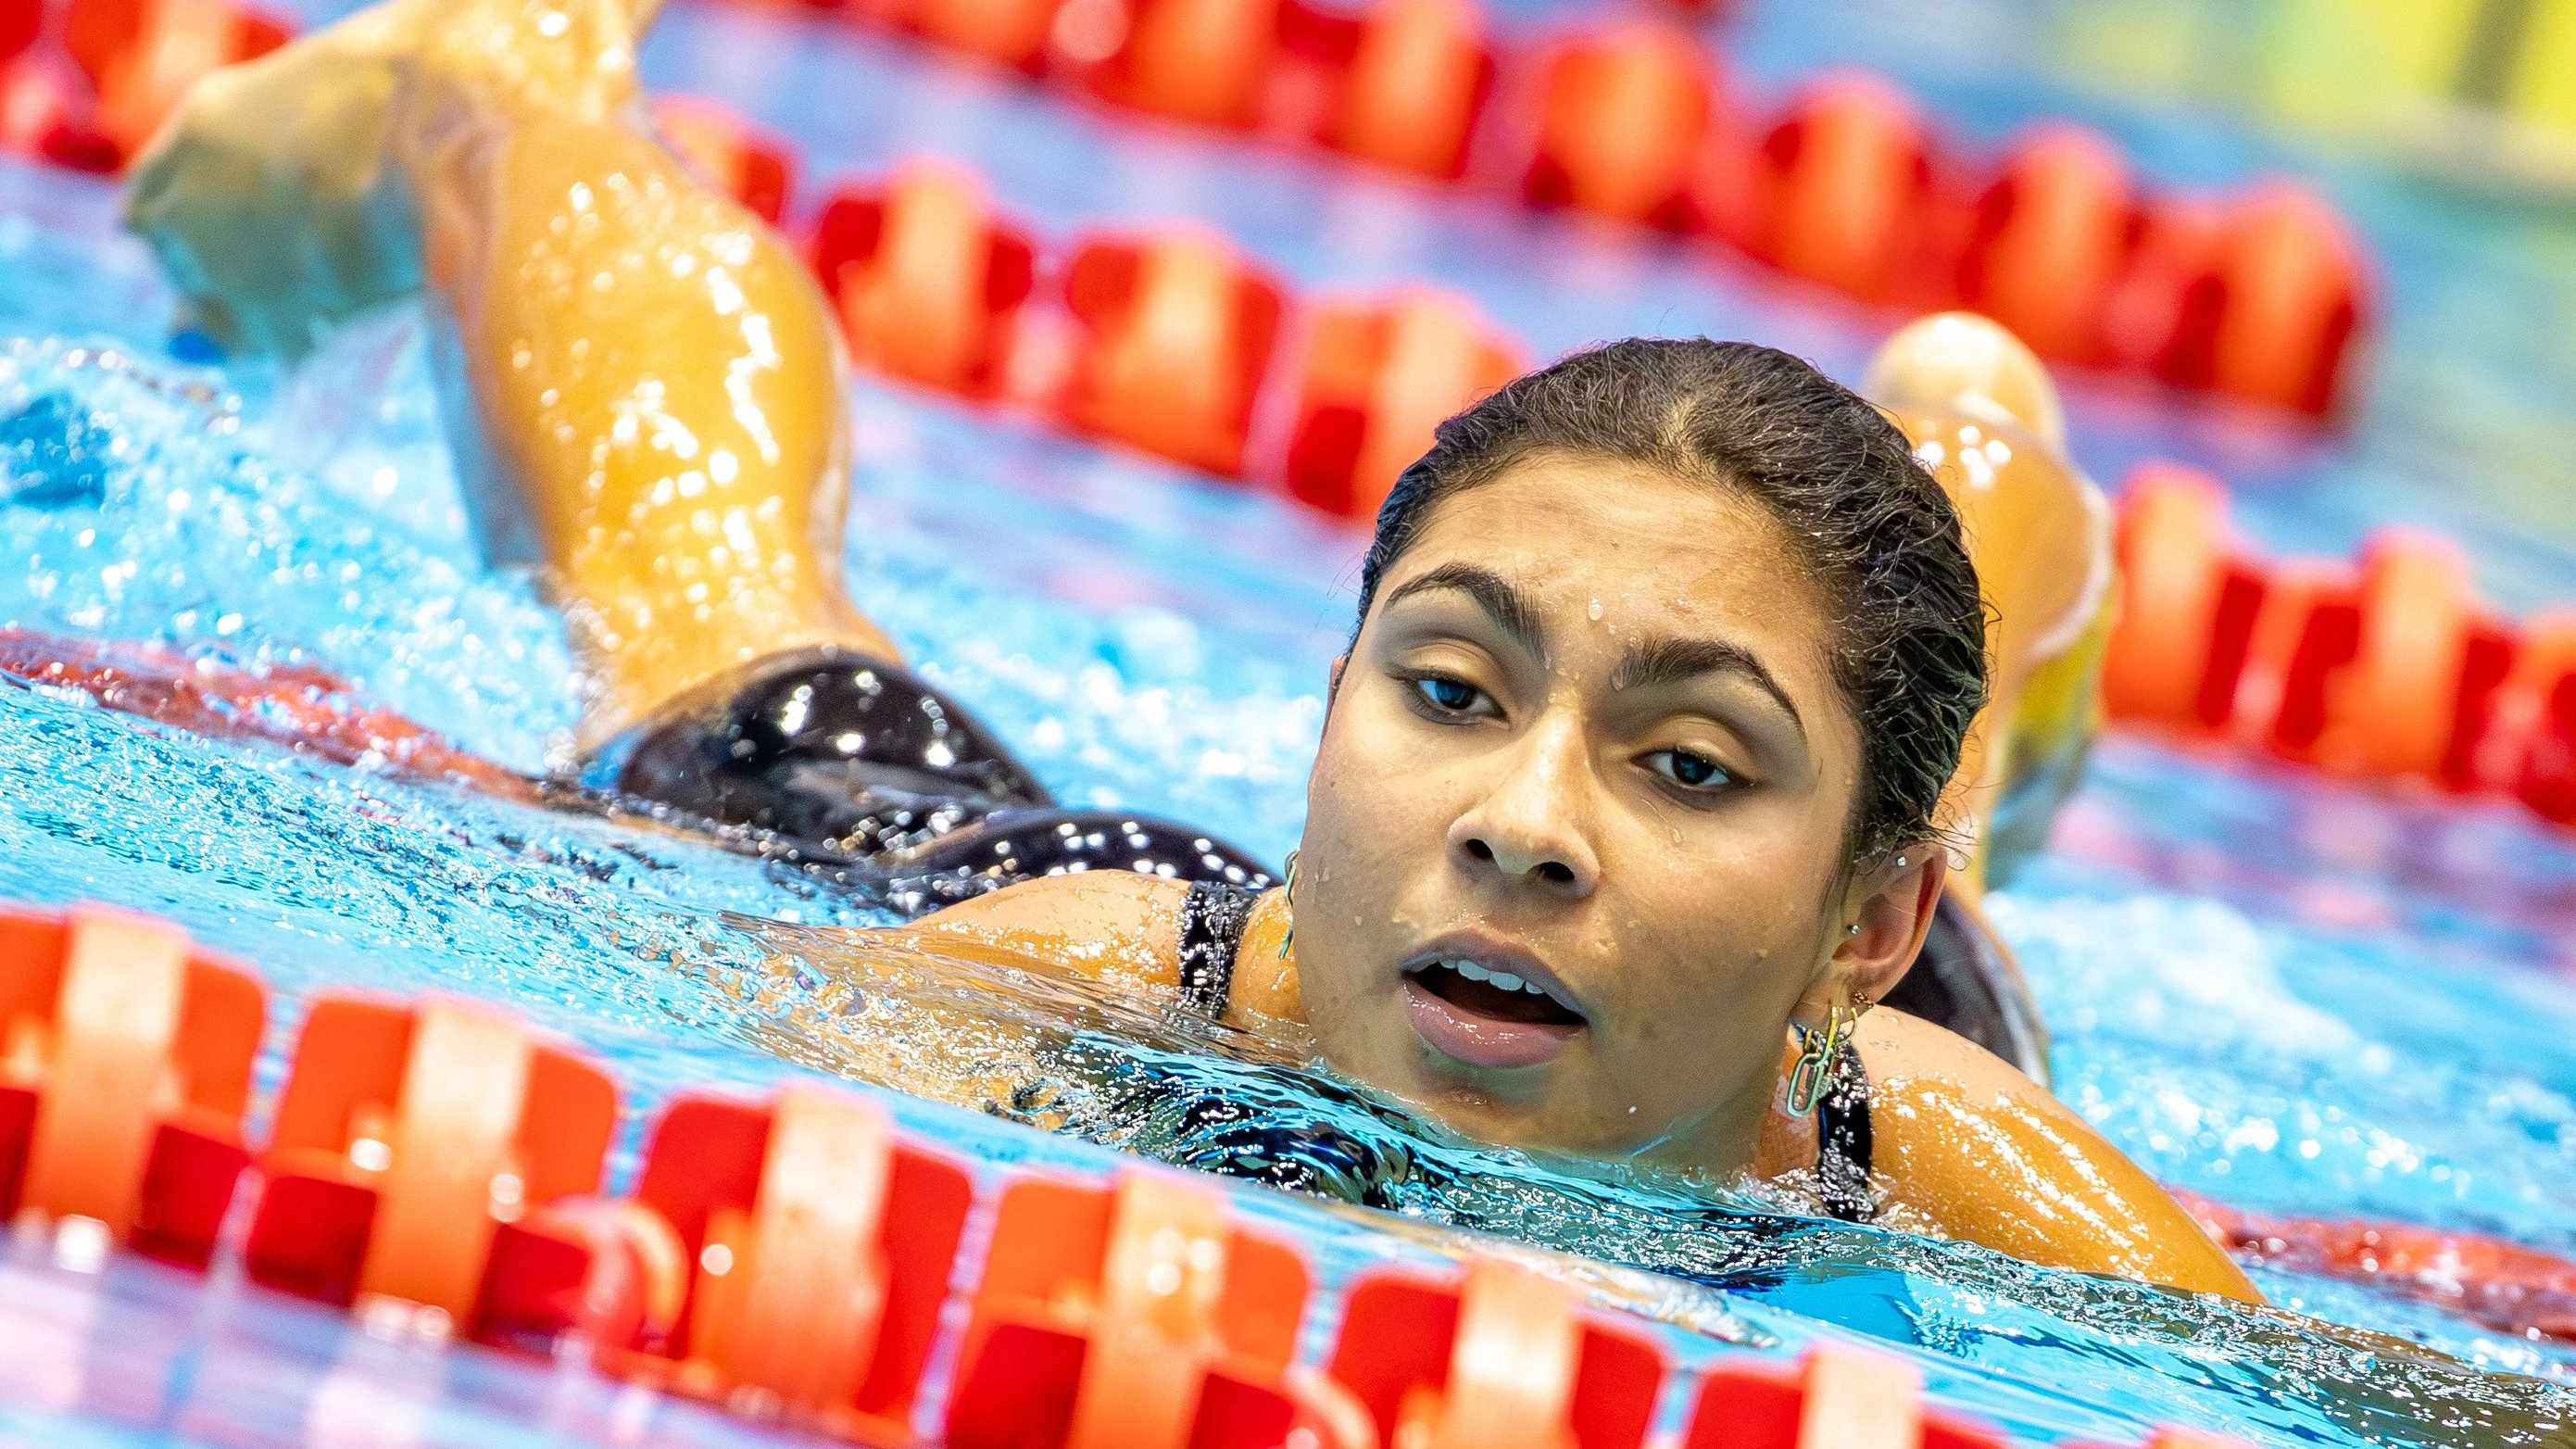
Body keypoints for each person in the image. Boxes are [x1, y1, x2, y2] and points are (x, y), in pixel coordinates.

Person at [122, 0, 2256, 1300]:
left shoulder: (1956, 1153)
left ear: (1857, 932)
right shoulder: (1058, 976)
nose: (1519, 820)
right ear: (1324, 717)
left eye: (1676, 767)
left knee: (1898, 686)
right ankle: (488, 96)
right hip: (1126, 926)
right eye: (1447, 687)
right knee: (717, 605)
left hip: (1794, 1000)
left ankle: (1983, 441)